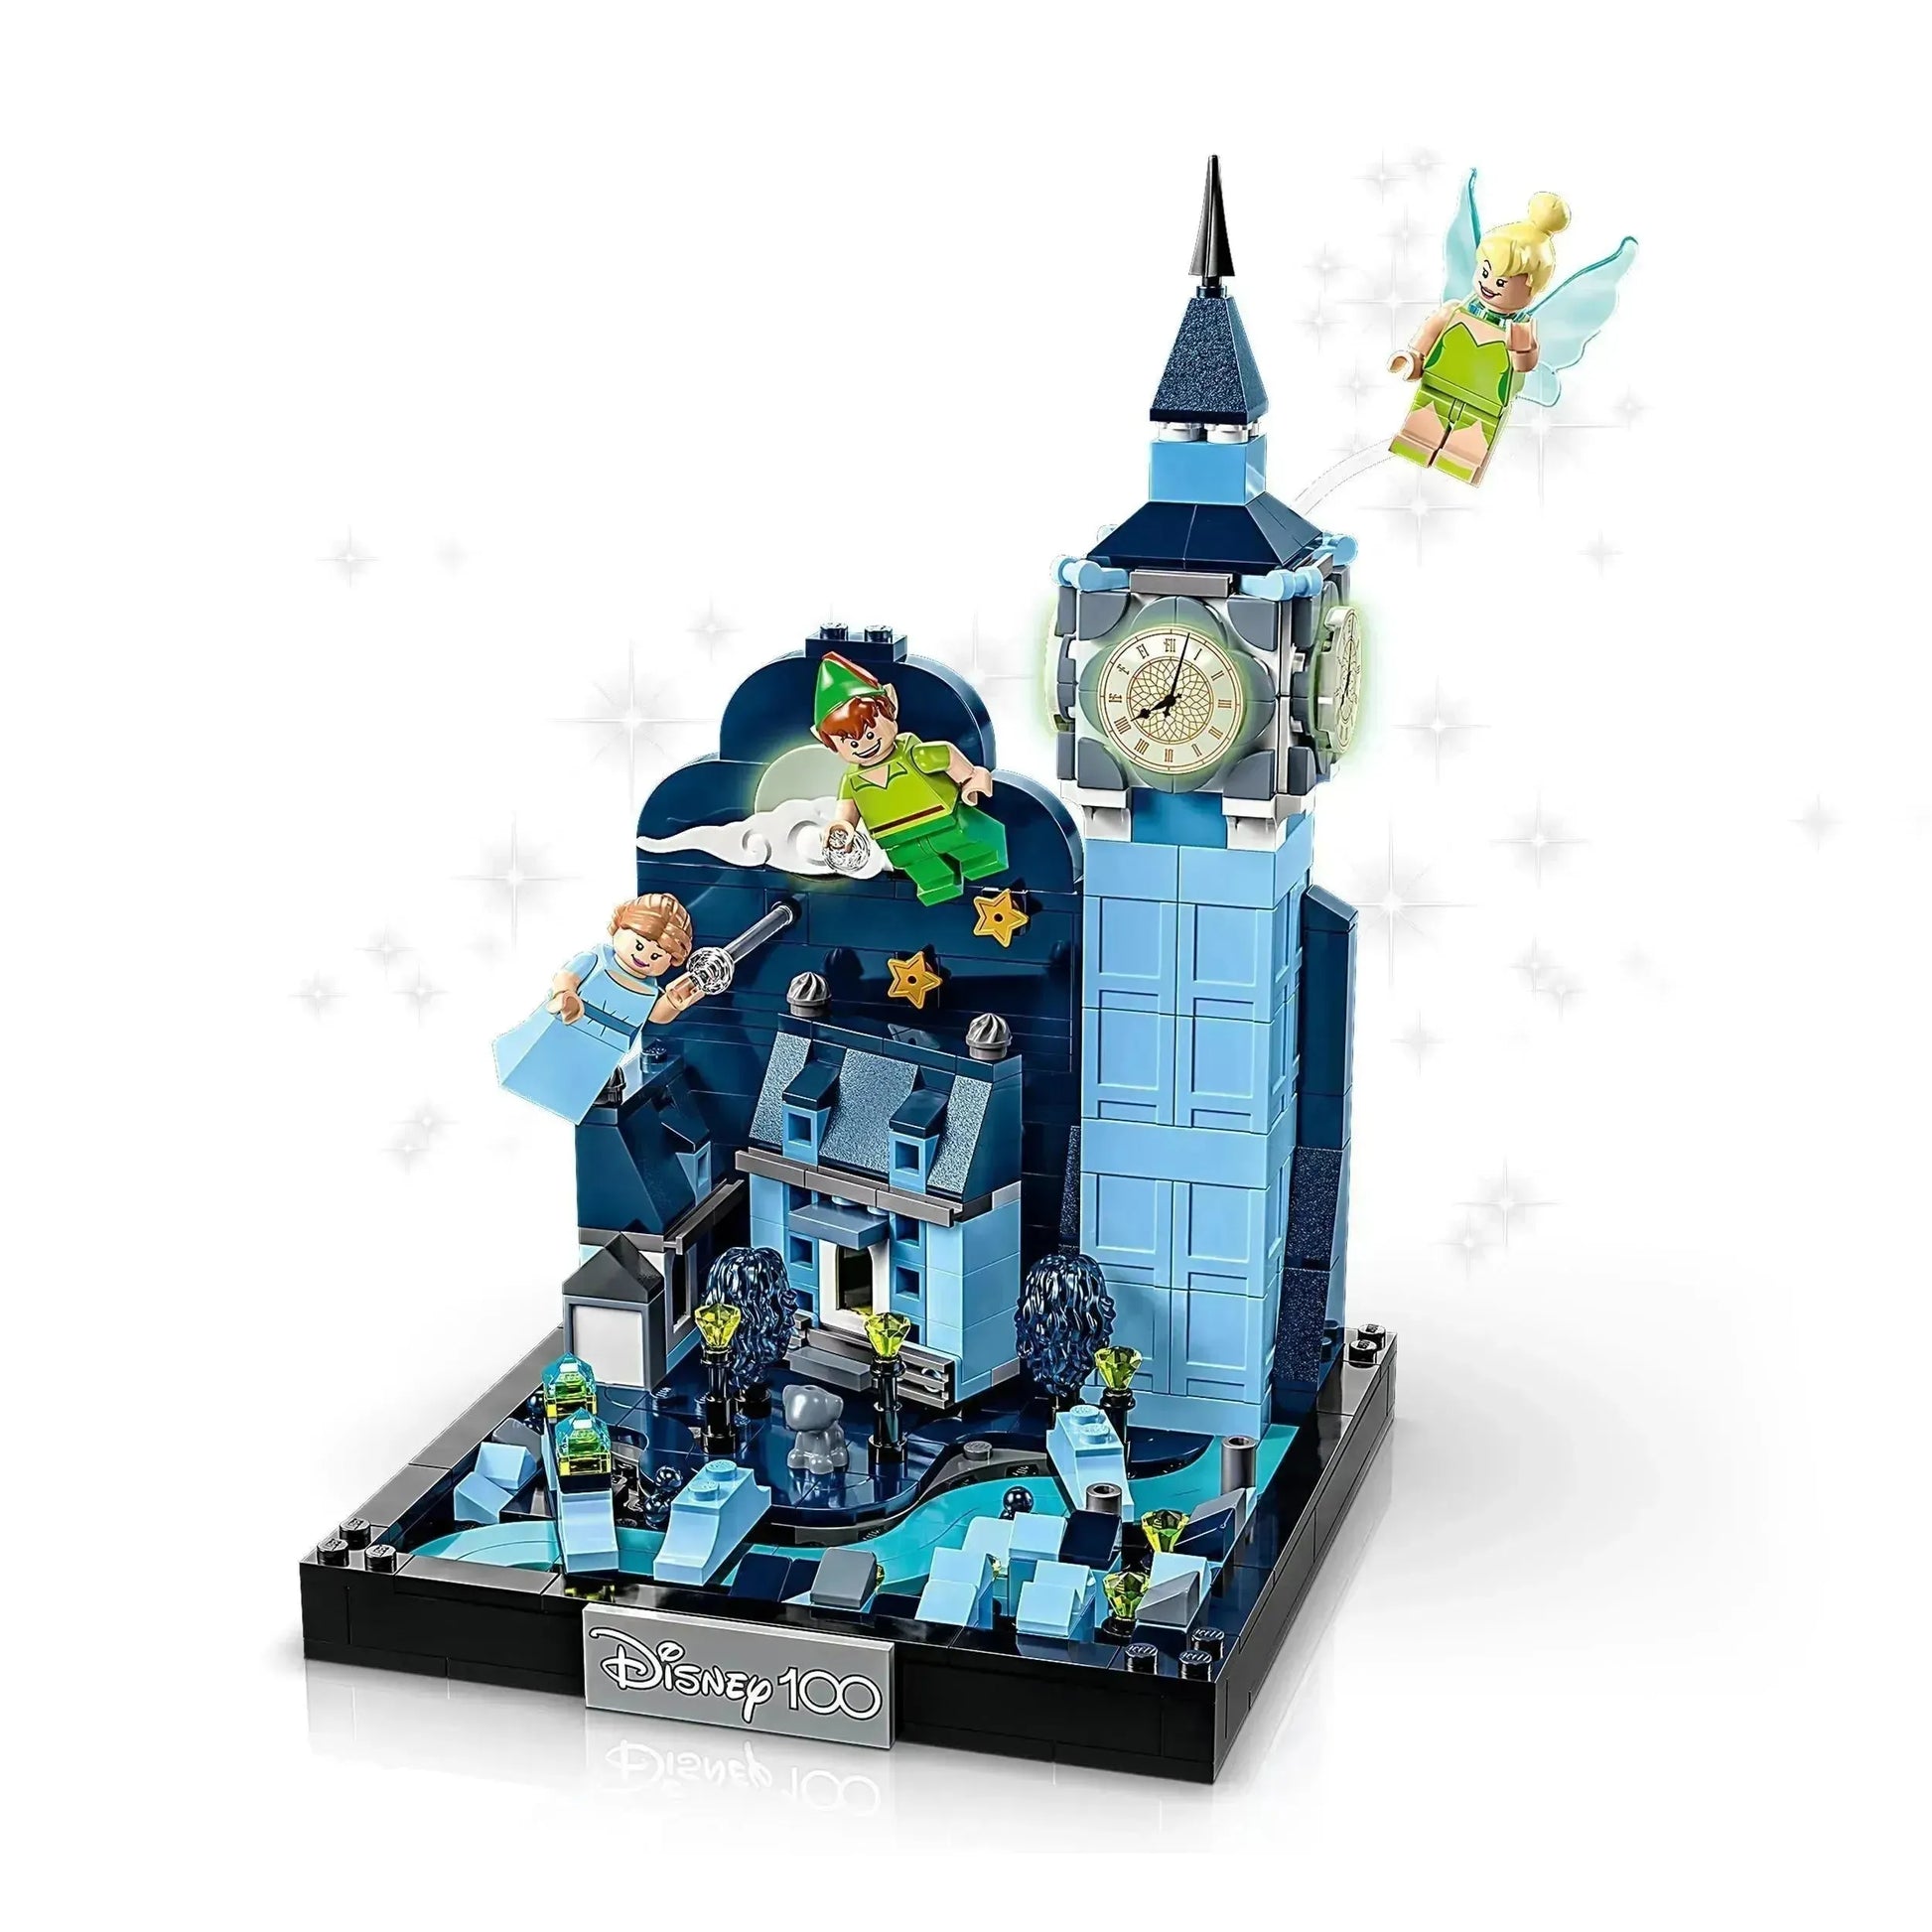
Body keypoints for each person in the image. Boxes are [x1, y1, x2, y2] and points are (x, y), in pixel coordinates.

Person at [813, 652, 1007, 906]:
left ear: (890, 704)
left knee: (965, 841)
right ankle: (936, 884)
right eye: (850, 741)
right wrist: (842, 827)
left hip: (943, 819)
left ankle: (983, 859)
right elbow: (846, 811)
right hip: (896, 840)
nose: (864, 745)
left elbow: (947, 756)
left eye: (869, 733)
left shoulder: (913, 753)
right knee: (917, 863)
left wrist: (970, 777)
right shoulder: (851, 779)